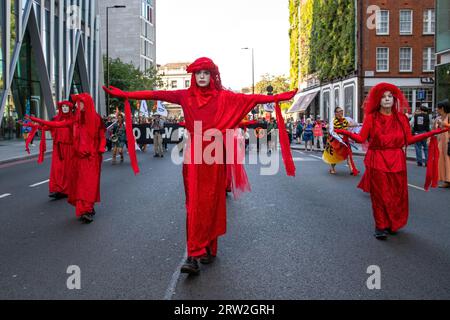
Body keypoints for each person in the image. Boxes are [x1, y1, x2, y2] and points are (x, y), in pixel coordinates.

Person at [103, 57, 296, 275]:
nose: (201, 76)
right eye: (197, 73)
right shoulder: (184, 95)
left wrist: (278, 97)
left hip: (214, 155)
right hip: (194, 156)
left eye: (205, 72)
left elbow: (250, 98)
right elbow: (155, 94)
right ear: (193, 76)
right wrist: (126, 95)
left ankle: (210, 247)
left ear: (212, 75)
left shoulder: (224, 96)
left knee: (211, 202)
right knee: (194, 204)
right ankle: (193, 254)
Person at [335, 83, 448, 240]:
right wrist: (343, 132)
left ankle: (392, 223)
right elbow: (361, 138)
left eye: (389, 96)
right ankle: (380, 225)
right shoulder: (372, 118)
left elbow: (409, 139)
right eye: (383, 97)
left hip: (397, 160)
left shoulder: (401, 118)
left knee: (396, 195)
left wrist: (433, 132)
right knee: (380, 195)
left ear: (394, 99)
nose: (387, 99)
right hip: (378, 160)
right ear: (378, 100)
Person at [28, 93, 106, 224]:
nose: (75, 105)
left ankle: (88, 208)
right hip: (78, 158)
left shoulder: (96, 119)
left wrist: (101, 148)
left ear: (85, 104)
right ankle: (85, 210)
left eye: (78, 103)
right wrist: (38, 121)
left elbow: (102, 137)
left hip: (92, 159)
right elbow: (57, 125)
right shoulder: (75, 120)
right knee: (80, 185)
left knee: (89, 185)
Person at [326, 107, 359, 175]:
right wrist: (339, 138)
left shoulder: (344, 120)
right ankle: (332, 168)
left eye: (342, 111)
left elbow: (349, 125)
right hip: (337, 141)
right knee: (335, 155)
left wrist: (358, 124)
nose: (341, 112)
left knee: (348, 154)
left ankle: (351, 169)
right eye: (339, 111)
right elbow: (331, 131)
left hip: (345, 140)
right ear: (336, 113)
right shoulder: (333, 120)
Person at [434, 99, 450, 188]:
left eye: (438, 108)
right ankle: (445, 179)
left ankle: (448, 180)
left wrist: (443, 124)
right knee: (440, 160)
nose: (437, 109)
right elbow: (434, 131)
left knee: (447, 160)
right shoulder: (438, 118)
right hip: (441, 142)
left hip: (448, 142)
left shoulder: (449, 116)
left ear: (442, 108)